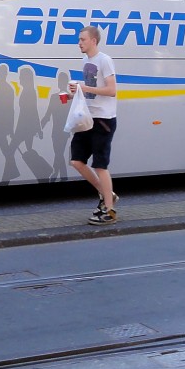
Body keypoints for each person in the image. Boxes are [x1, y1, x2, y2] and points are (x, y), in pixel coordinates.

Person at [66, 25, 119, 225]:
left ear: (93, 41)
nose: (79, 43)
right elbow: (89, 91)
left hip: (103, 119)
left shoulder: (105, 60)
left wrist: (84, 87)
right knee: (76, 161)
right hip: (88, 117)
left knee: (100, 165)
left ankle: (110, 210)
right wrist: (73, 93)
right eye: (79, 40)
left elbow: (112, 90)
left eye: (82, 39)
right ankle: (107, 195)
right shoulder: (85, 61)